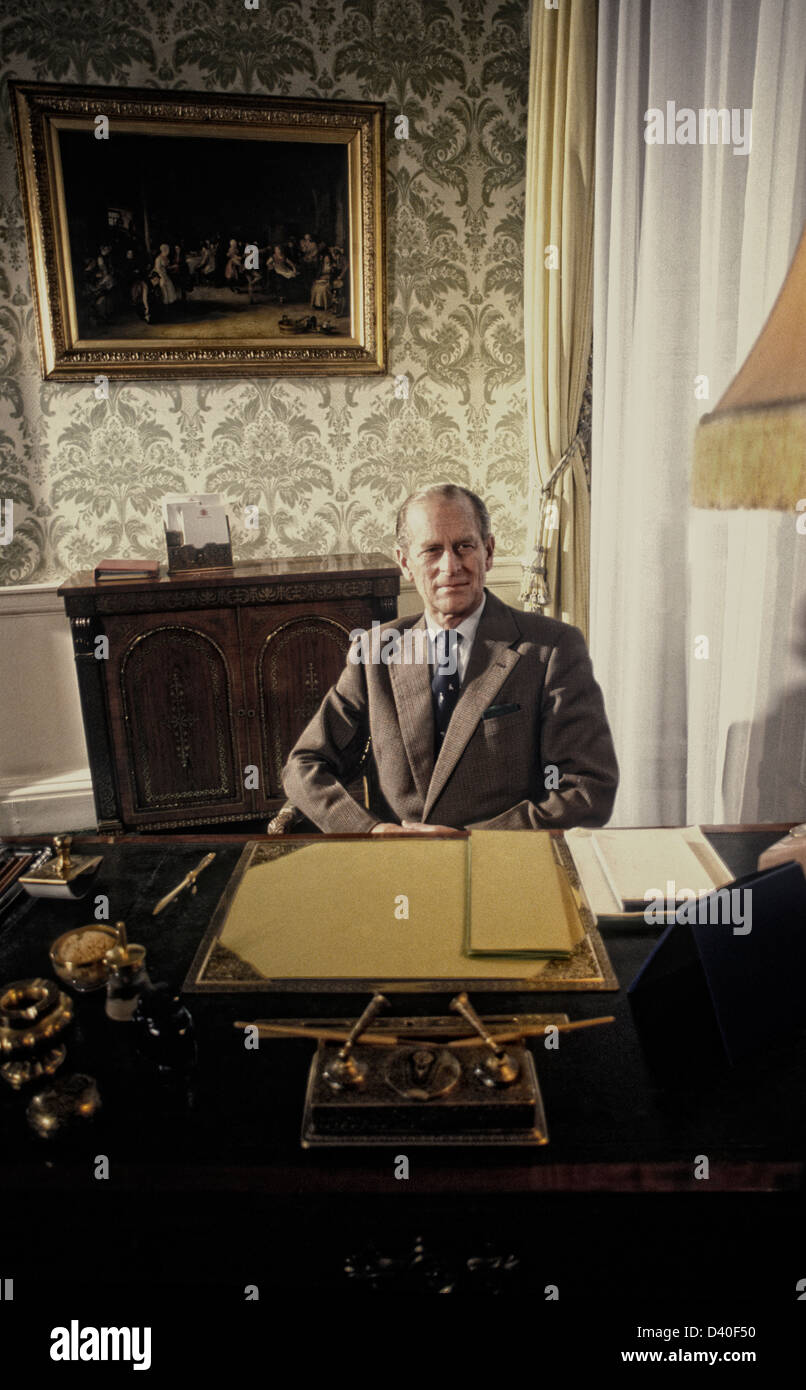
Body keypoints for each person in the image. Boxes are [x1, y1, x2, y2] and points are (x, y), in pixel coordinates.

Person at [283, 483, 619, 833]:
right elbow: (304, 765)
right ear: (405, 563)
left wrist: (472, 842)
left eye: (464, 546)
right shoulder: (375, 652)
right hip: (399, 866)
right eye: (431, 550)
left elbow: (588, 788)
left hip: (503, 866)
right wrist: (368, 832)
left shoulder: (552, 649)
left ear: (488, 552)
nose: (451, 566)